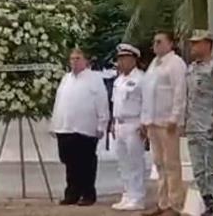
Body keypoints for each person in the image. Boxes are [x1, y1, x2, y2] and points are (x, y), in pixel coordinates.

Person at [50, 48, 109, 207]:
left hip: (86, 128)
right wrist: (55, 124)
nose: (74, 61)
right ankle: (72, 193)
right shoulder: (66, 78)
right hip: (66, 127)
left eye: (78, 58)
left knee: (86, 162)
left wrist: (102, 124)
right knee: (70, 162)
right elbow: (59, 102)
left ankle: (88, 194)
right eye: (72, 58)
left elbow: (102, 102)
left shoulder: (94, 78)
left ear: (85, 61)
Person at [141, 32, 187, 216]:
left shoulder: (176, 63)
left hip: (167, 122)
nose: (156, 44)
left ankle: (175, 204)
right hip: (153, 121)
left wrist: (175, 118)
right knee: (159, 163)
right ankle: (163, 202)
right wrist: (145, 120)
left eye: (160, 41)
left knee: (171, 164)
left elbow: (179, 92)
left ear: (170, 44)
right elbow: (148, 94)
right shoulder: (153, 64)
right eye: (154, 41)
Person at [186, 30, 213, 216]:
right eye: (192, 43)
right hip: (193, 126)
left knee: (212, 170)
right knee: (198, 170)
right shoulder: (191, 68)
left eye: (197, 43)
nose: (193, 47)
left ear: (207, 44)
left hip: (209, 125)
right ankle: (208, 205)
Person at [111, 43, 146, 211]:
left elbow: (146, 103)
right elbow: (115, 104)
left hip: (134, 123)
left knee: (135, 162)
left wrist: (144, 123)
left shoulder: (141, 79)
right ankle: (127, 194)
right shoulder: (118, 80)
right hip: (119, 123)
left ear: (133, 60)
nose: (121, 62)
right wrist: (112, 122)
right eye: (119, 59)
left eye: (124, 59)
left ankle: (137, 196)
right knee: (123, 162)